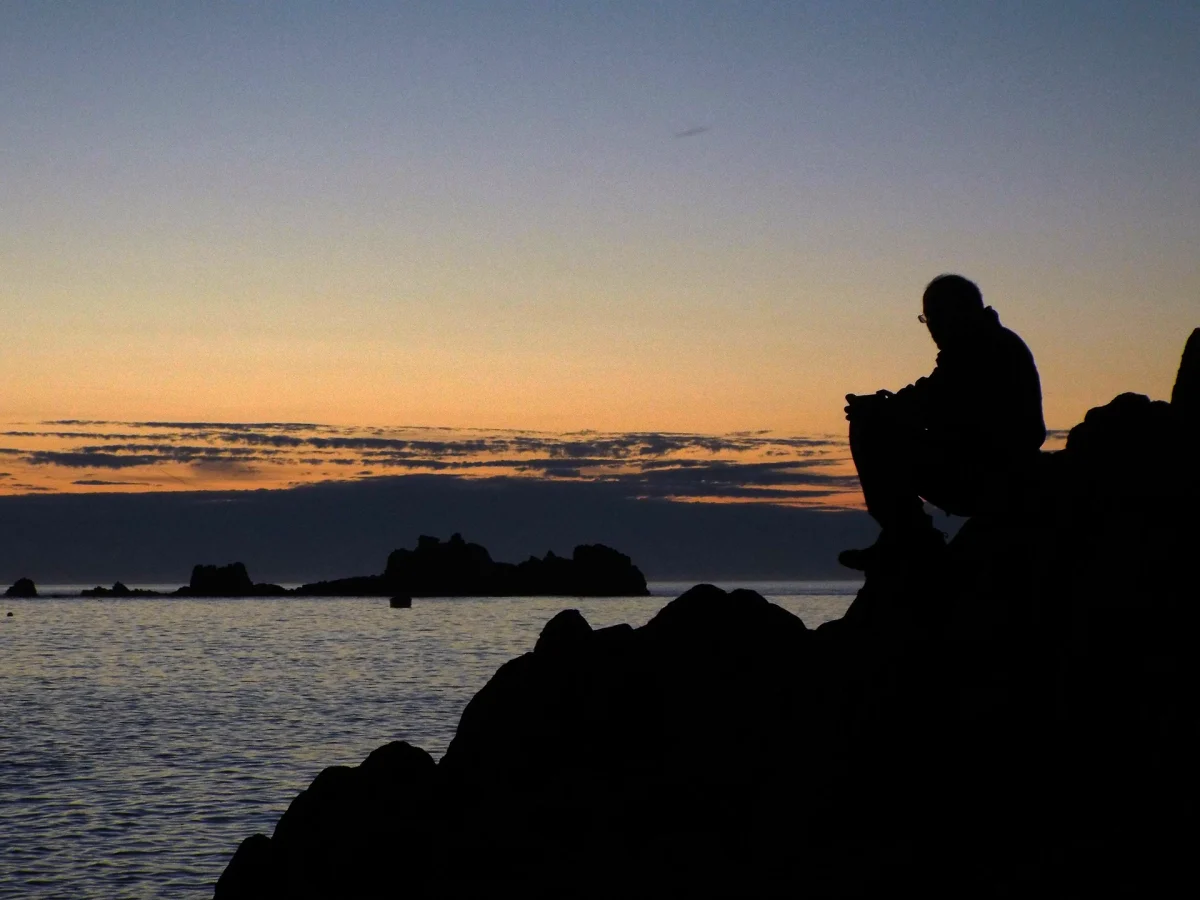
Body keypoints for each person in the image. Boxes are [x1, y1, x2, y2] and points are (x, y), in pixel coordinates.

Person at [839, 274, 1045, 570]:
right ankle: (906, 536)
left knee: (870, 428)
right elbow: (931, 395)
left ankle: (908, 538)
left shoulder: (981, 348)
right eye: (927, 318)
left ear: (961, 311)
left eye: (936, 316)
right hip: (990, 467)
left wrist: (879, 409)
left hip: (989, 474)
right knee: (875, 420)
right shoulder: (985, 343)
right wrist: (887, 405)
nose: (932, 326)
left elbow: (932, 402)